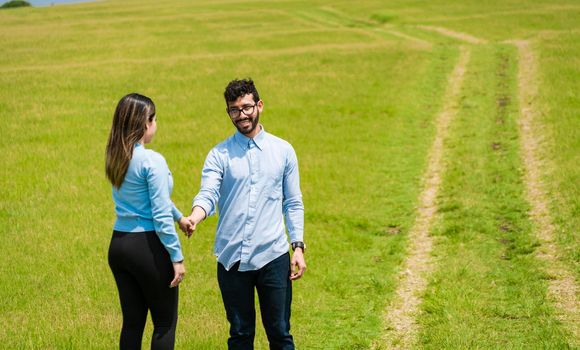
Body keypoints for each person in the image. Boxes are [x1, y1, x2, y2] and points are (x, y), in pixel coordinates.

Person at [185, 79, 306, 350]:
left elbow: (293, 203)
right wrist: (195, 216)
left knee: (280, 333)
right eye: (234, 110)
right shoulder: (219, 154)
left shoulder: (283, 150)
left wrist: (297, 247)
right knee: (240, 335)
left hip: (273, 255)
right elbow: (208, 194)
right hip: (232, 259)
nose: (242, 115)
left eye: (247, 107)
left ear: (259, 106)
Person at [105, 93, 192, 350]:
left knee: (132, 324)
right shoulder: (153, 160)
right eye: (154, 119)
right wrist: (176, 257)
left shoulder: (117, 156)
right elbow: (159, 214)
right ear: (146, 123)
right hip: (147, 247)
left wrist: (180, 218)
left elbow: (155, 200)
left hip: (119, 245)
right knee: (164, 324)